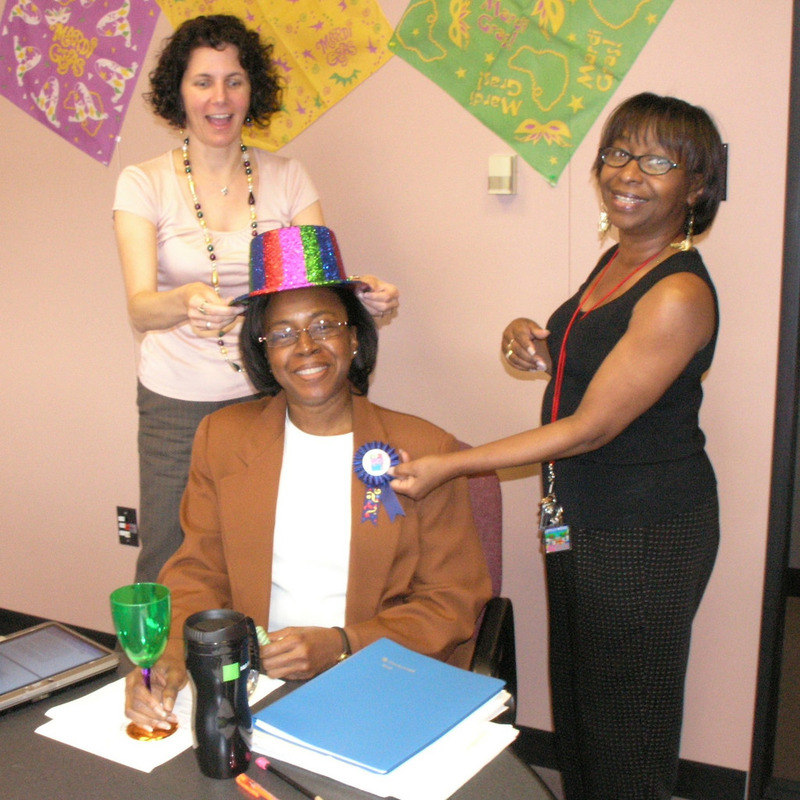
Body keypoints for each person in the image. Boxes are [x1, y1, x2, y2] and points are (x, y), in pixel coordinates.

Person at [390, 93, 726, 800]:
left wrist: (454, 463)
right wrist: (532, 338)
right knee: (580, 708)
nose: (629, 172)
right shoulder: (620, 261)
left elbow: (593, 425)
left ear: (696, 186)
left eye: (659, 160)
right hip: (582, 516)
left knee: (626, 724)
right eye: (619, 152)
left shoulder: (679, 292)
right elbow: (595, 367)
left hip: (644, 530)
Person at [124, 225, 491, 732]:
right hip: (251, 686)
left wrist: (342, 645)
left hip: (376, 683)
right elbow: (197, 572)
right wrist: (169, 656)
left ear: (355, 336)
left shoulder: (427, 449)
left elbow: (451, 602)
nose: (305, 347)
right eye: (281, 333)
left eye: (323, 325)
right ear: (264, 351)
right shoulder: (222, 438)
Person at [113, 14, 399, 584]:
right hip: (177, 401)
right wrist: (185, 301)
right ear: (179, 92)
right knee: (170, 556)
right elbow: (141, 306)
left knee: (267, 548)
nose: (219, 98)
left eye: (234, 81)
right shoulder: (143, 182)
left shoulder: (288, 176)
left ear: (252, 90)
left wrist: (362, 299)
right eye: (203, 82)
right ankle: (151, 674)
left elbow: (316, 288)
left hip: (272, 392)